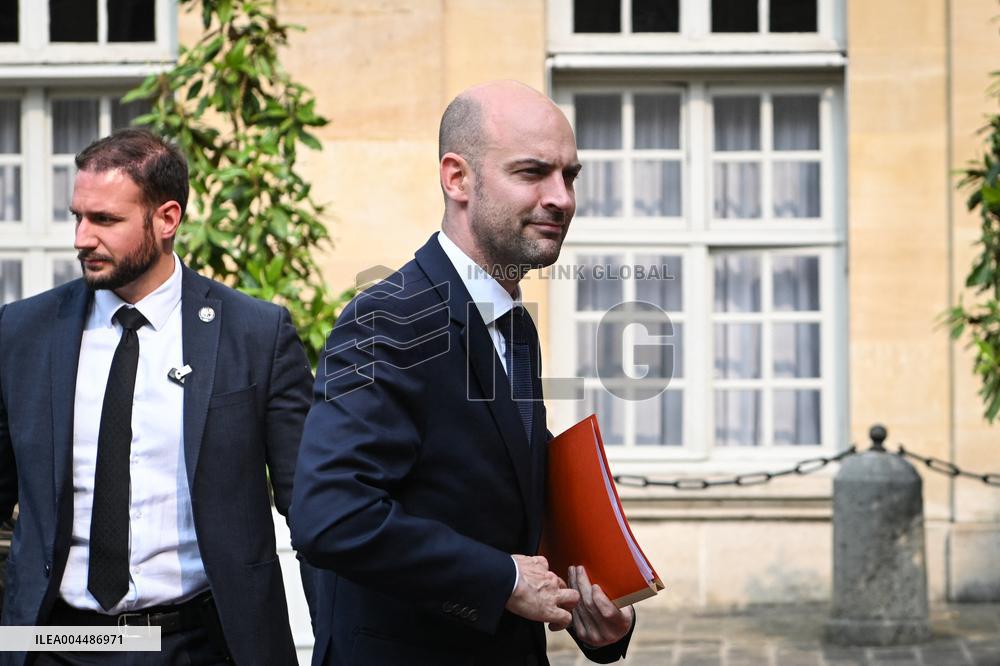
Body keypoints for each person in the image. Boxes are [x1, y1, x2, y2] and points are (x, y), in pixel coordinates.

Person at [290, 80, 635, 665]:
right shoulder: (388, 317)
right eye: (532, 172)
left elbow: (499, 499)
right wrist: (502, 580)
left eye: (569, 176)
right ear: (457, 179)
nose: (561, 198)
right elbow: (330, 515)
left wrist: (591, 610)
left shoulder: (513, 323)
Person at [0, 128, 313, 666]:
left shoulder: (255, 335)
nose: (81, 238)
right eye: (77, 217)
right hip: (54, 643)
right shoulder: (23, 331)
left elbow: (312, 507)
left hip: (196, 644)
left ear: (167, 219)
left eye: (105, 220)